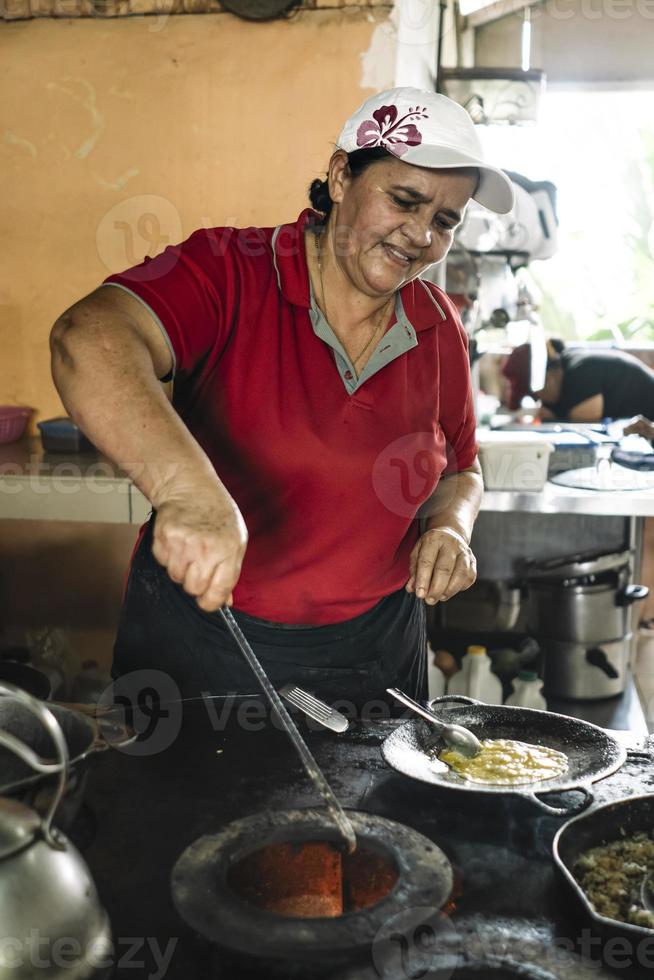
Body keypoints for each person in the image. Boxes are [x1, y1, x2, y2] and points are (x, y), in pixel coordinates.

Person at [49, 88, 514, 708]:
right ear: (342, 175)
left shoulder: (436, 323)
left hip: (376, 653)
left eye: (445, 221)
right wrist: (185, 490)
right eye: (404, 200)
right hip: (209, 641)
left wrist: (453, 527)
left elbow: (461, 467)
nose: (421, 236)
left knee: (374, 807)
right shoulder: (229, 269)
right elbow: (87, 338)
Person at [503, 339, 654, 422]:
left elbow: (585, 419)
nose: (541, 401)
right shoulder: (567, 364)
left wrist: (555, 416)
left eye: (537, 395)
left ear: (547, 378)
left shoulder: (579, 371)